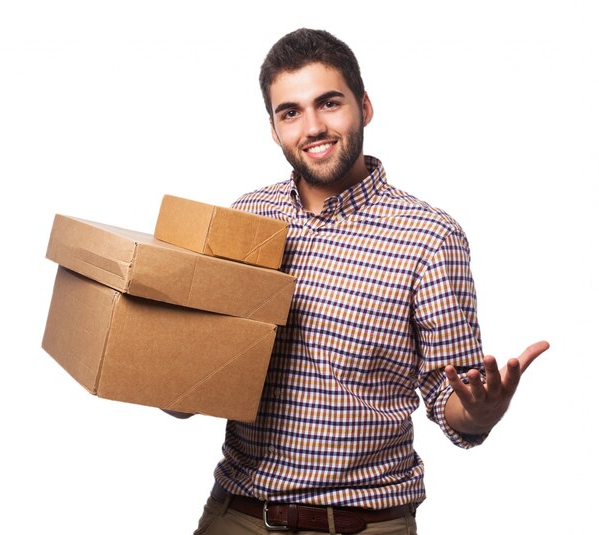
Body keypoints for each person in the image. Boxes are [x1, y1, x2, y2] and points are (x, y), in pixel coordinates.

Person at [186, 28, 549, 535]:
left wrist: (481, 411)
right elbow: (202, 369)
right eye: (290, 112)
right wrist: (166, 370)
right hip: (239, 513)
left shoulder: (430, 237)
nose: (312, 127)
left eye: (328, 103)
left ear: (365, 106)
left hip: (365, 523)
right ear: (274, 128)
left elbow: (452, 399)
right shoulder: (248, 218)